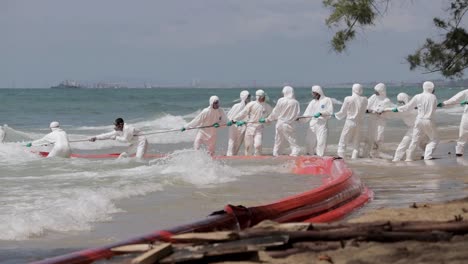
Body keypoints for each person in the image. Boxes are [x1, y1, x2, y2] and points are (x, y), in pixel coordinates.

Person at [391, 81, 439, 161]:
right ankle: (427, 156)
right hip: (428, 121)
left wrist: (398, 109)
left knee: (415, 141)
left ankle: (409, 158)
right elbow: (434, 107)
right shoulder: (433, 97)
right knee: (434, 139)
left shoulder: (417, 96)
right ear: (431, 88)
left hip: (418, 121)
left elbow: (408, 107)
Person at [262, 86, 300, 156]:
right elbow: (297, 114)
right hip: (288, 124)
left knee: (278, 140)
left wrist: (268, 119)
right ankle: (295, 153)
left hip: (279, 124)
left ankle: (276, 153)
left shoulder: (281, 100)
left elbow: (275, 112)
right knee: (292, 140)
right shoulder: (295, 102)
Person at [391, 93, 428, 161]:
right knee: (421, 143)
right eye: (399, 102)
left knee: (405, 142)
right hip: (416, 127)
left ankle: (397, 158)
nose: (400, 103)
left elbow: (406, 110)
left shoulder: (411, 107)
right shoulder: (405, 107)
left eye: (401, 101)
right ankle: (427, 153)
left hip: (417, 127)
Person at [234, 89, 272, 156]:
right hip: (250, 127)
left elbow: (272, 116)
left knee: (258, 145)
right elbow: (243, 113)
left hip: (259, 128)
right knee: (248, 146)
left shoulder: (267, 106)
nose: (262, 98)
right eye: (261, 96)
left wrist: (266, 120)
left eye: (263, 96)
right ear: (257, 97)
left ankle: (257, 159)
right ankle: (247, 160)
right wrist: (234, 120)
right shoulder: (251, 104)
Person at [335, 83, 368, 159]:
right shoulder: (365, 99)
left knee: (343, 142)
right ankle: (354, 161)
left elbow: (343, 112)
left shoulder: (348, 99)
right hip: (359, 123)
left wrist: (336, 115)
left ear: (353, 89)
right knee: (356, 144)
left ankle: (341, 160)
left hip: (350, 122)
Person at [299, 85, 333, 156]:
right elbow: (307, 114)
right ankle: (310, 155)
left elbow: (330, 112)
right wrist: (300, 119)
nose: (312, 94)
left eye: (313, 93)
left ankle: (320, 156)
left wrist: (321, 113)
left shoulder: (327, 100)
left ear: (318, 92)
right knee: (309, 141)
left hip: (322, 124)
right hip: (312, 123)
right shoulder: (312, 102)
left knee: (321, 142)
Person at [365, 83, 393, 157]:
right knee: (370, 137)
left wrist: (381, 111)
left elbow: (389, 111)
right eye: (375, 91)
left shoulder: (387, 100)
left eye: (377, 91)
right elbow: (366, 107)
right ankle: (366, 154)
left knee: (379, 137)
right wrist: (371, 111)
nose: (375, 92)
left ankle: (376, 153)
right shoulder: (373, 97)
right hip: (372, 120)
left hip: (381, 121)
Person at [439, 89, 468, 156]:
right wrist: (444, 103)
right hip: (467, 114)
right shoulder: (466, 91)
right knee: (463, 132)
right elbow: (455, 99)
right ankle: (459, 151)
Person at [226, 90, 250, 156]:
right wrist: (233, 122)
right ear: (244, 97)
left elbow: (248, 117)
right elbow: (229, 116)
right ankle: (229, 155)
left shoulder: (248, 106)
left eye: (249, 97)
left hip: (242, 127)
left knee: (238, 143)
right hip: (233, 126)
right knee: (231, 141)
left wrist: (244, 122)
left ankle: (234, 155)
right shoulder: (236, 106)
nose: (249, 98)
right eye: (248, 97)